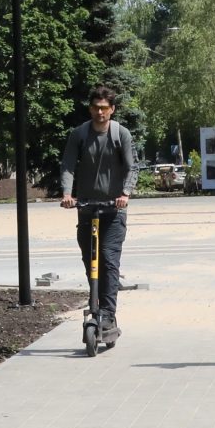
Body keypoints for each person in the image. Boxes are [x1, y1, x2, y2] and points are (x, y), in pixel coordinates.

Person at [57, 86, 137, 343]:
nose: (100, 112)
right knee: (89, 259)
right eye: (96, 107)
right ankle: (95, 307)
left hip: (114, 210)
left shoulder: (120, 134)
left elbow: (131, 167)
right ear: (90, 108)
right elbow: (68, 165)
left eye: (104, 108)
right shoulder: (79, 134)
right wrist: (68, 194)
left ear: (112, 109)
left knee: (107, 260)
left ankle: (108, 313)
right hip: (87, 208)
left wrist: (124, 194)